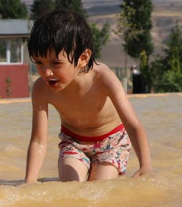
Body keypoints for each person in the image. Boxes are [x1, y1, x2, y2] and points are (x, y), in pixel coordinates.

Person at [24, 9, 152, 183]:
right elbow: (38, 141)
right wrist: (29, 182)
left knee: (98, 189)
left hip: (112, 142)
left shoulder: (104, 79)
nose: (46, 72)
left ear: (83, 58)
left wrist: (145, 166)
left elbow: (133, 125)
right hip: (73, 141)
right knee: (71, 188)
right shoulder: (41, 89)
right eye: (39, 62)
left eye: (55, 63)